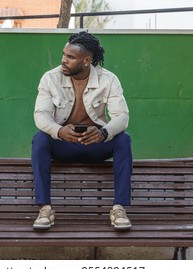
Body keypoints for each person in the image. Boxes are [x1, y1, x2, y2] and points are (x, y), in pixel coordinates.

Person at [31, 31, 133, 230]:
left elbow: (122, 117)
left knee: (123, 139)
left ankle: (119, 208)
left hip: (96, 144)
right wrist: (59, 131)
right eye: (64, 54)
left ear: (86, 60)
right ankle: (45, 209)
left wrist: (103, 133)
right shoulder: (50, 79)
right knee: (40, 139)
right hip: (65, 144)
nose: (64, 60)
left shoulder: (109, 80)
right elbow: (40, 115)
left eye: (70, 57)